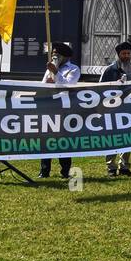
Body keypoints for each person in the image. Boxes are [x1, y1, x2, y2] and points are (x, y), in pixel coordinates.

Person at [100, 41, 131, 177]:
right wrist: (115, 85)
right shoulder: (110, 70)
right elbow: (100, 88)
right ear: (118, 55)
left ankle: (124, 166)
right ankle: (111, 167)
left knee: (128, 137)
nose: (126, 56)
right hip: (112, 110)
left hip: (129, 110)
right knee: (112, 138)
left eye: (128, 53)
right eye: (124, 54)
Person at [39, 42, 80, 179]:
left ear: (65, 57)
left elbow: (68, 85)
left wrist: (56, 73)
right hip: (49, 107)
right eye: (53, 54)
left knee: (63, 140)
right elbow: (43, 86)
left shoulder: (73, 69)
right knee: (46, 139)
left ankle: (65, 171)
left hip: (64, 109)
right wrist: (48, 80)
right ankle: (44, 170)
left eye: (57, 55)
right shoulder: (50, 68)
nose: (54, 57)